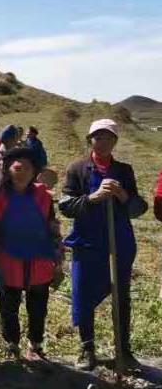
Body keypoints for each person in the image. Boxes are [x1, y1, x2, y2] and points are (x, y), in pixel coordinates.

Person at [59, 119, 148, 371]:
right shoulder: (77, 169)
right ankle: (87, 348)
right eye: (98, 137)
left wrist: (122, 195)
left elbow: (137, 208)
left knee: (121, 297)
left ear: (115, 141)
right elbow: (66, 206)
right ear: (90, 140)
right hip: (87, 242)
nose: (103, 142)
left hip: (118, 242)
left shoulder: (124, 170)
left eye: (108, 137)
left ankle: (124, 350)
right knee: (83, 294)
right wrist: (93, 197)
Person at [0, 148, 63, 361]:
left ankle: (36, 344)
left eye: (27, 168)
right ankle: (12, 343)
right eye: (17, 168)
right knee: (8, 307)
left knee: (38, 307)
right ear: (8, 170)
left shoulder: (44, 196)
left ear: (35, 172)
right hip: (9, 262)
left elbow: (52, 227)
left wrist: (58, 260)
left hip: (39, 261)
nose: (22, 172)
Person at [0, 125, 18, 189]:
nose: (16, 141)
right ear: (9, 140)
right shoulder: (0, 154)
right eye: (15, 138)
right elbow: (3, 172)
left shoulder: (10, 151)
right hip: (3, 188)